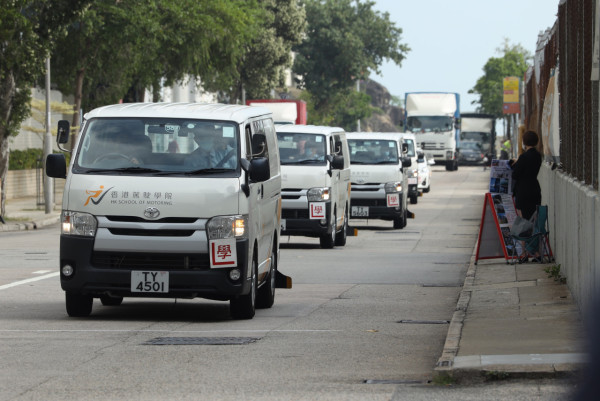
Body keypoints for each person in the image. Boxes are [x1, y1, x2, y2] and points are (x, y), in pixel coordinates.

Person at [509, 130, 542, 263]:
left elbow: (515, 175)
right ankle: (535, 252)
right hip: (535, 190)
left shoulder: (523, 157)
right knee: (533, 222)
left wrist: (516, 164)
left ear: (524, 142)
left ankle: (525, 253)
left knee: (523, 223)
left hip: (523, 192)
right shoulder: (538, 156)